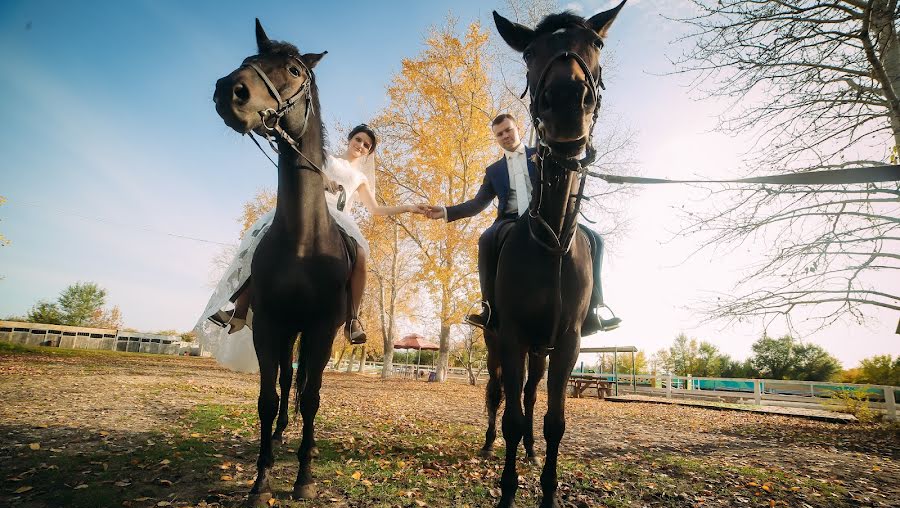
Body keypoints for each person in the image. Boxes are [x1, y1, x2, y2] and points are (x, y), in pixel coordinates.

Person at [196, 124, 423, 371]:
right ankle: (239, 310)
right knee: (260, 238)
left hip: (338, 218)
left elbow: (376, 209)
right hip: (306, 208)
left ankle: (352, 319)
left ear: (369, 153)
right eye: (358, 140)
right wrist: (321, 178)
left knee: (359, 256)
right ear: (349, 140)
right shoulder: (325, 158)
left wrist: (409, 207)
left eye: (367, 145)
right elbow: (302, 170)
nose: (361, 146)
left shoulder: (360, 179)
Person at [420, 114, 620, 335]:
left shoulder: (543, 153)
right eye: (499, 134)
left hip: (549, 219)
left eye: (508, 130)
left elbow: (567, 175)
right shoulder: (494, 171)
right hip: (511, 221)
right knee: (486, 240)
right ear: (496, 138)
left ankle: (594, 308)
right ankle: (488, 308)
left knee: (596, 240)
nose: (505, 135)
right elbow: (478, 203)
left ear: (518, 128)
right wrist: (446, 211)